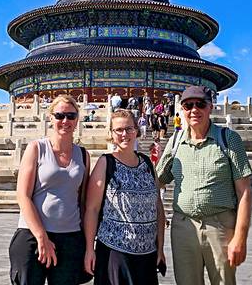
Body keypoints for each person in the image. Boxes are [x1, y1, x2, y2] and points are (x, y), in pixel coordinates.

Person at [157, 86, 252, 285]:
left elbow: (245, 192)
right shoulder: (175, 142)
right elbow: (155, 181)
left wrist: (240, 238)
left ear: (210, 107)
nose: (194, 110)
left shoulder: (228, 139)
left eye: (200, 104)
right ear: (181, 110)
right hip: (183, 227)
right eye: (188, 105)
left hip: (220, 226)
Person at [9, 94, 90, 284]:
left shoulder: (83, 155)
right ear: (50, 117)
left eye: (71, 116)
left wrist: (88, 243)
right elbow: (22, 196)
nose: (65, 121)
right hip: (32, 235)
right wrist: (41, 237)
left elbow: (83, 201)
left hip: (70, 237)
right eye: (60, 115)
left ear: (77, 120)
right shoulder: (36, 148)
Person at [83, 109, 165, 284]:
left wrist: (160, 248)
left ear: (137, 130)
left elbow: (158, 207)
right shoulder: (106, 163)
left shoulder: (148, 164)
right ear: (111, 134)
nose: (124, 134)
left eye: (129, 129)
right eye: (118, 130)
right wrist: (90, 249)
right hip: (115, 252)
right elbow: (92, 209)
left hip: (147, 253)